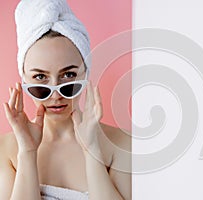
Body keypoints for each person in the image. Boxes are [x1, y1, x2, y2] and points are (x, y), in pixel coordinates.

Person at [0, 0, 131, 199]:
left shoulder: (122, 143)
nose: (56, 95)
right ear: (23, 79)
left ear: (85, 73)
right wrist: (27, 152)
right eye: (40, 78)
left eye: (68, 76)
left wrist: (92, 149)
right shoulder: (6, 150)